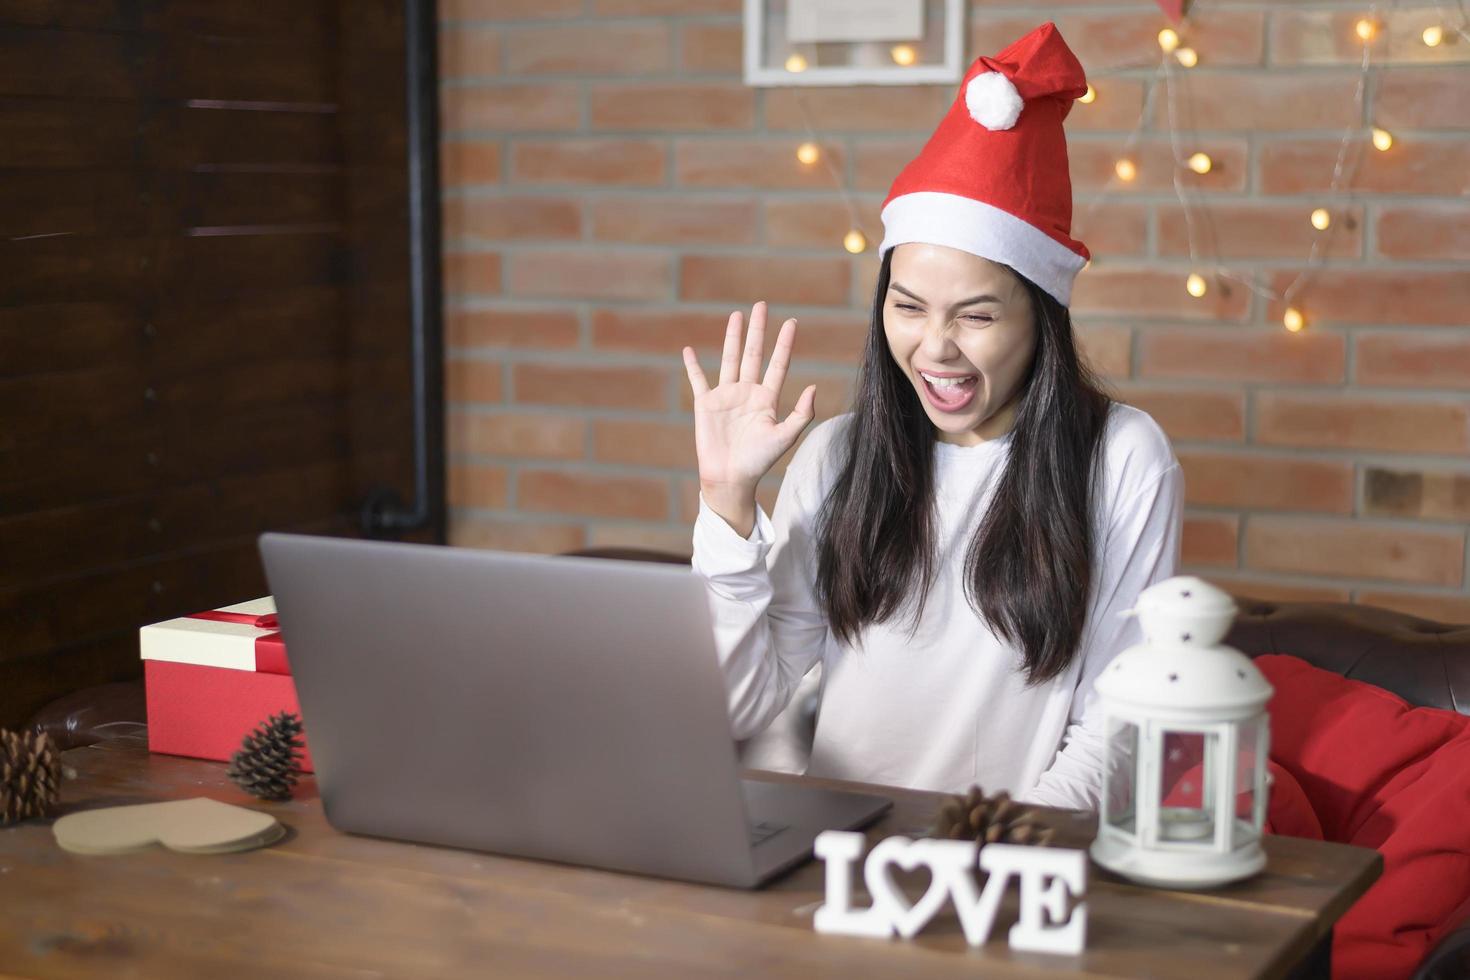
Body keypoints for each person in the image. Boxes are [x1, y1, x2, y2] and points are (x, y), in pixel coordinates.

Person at [681, 23, 1183, 812]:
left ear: (1042, 318)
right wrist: (726, 505)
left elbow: (1119, 716)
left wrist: (998, 853)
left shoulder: (1121, 457)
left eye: (977, 316)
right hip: (835, 863)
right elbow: (743, 705)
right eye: (907, 306)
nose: (935, 348)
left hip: (1006, 872)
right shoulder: (839, 454)